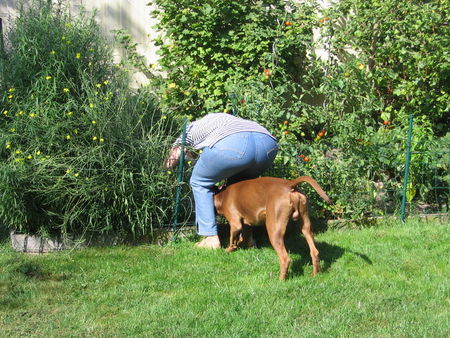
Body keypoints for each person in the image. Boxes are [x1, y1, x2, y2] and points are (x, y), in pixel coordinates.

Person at [165, 113, 278, 249]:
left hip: (234, 143)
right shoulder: (224, 120)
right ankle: (247, 239)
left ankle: (211, 238)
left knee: (200, 181)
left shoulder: (190, 129)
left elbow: (174, 157)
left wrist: (164, 169)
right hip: (267, 144)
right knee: (238, 188)